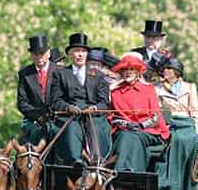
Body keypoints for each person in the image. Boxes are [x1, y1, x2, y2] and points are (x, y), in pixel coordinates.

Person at [48, 32, 112, 165]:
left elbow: (104, 103)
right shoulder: (60, 74)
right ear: (70, 54)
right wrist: (68, 107)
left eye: (83, 51)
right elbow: (55, 101)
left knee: (97, 127)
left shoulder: (98, 75)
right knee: (71, 127)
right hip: (70, 116)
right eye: (76, 51)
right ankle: (75, 160)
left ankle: (98, 160)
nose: (80, 54)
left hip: (93, 116)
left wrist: (95, 108)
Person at [109, 54, 169, 173]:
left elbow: (156, 117)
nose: (128, 72)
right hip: (124, 130)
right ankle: (126, 172)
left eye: (131, 69)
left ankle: (129, 174)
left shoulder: (149, 89)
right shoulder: (115, 92)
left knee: (134, 136)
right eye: (125, 69)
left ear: (138, 72)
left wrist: (141, 125)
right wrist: (126, 125)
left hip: (149, 131)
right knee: (127, 135)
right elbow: (111, 117)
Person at [155, 57, 198, 190]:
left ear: (176, 72)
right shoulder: (158, 89)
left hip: (187, 124)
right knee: (173, 140)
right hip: (170, 124)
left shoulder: (189, 87)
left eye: (167, 69)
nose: (164, 71)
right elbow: (159, 112)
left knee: (185, 140)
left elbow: (195, 111)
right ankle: (169, 186)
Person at [16, 35, 59, 145]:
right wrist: (38, 117)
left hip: (58, 117)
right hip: (33, 119)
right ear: (31, 55)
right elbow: (22, 102)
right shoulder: (25, 74)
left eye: (42, 53)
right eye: (35, 54)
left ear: (48, 53)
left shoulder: (61, 71)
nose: (39, 57)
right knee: (35, 133)